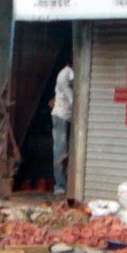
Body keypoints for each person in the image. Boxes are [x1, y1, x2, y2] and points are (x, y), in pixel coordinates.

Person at [50, 64, 73, 195]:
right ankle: (59, 185)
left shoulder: (70, 73)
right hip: (61, 117)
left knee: (67, 152)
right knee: (60, 152)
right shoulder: (65, 75)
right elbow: (73, 99)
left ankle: (65, 184)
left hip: (68, 117)